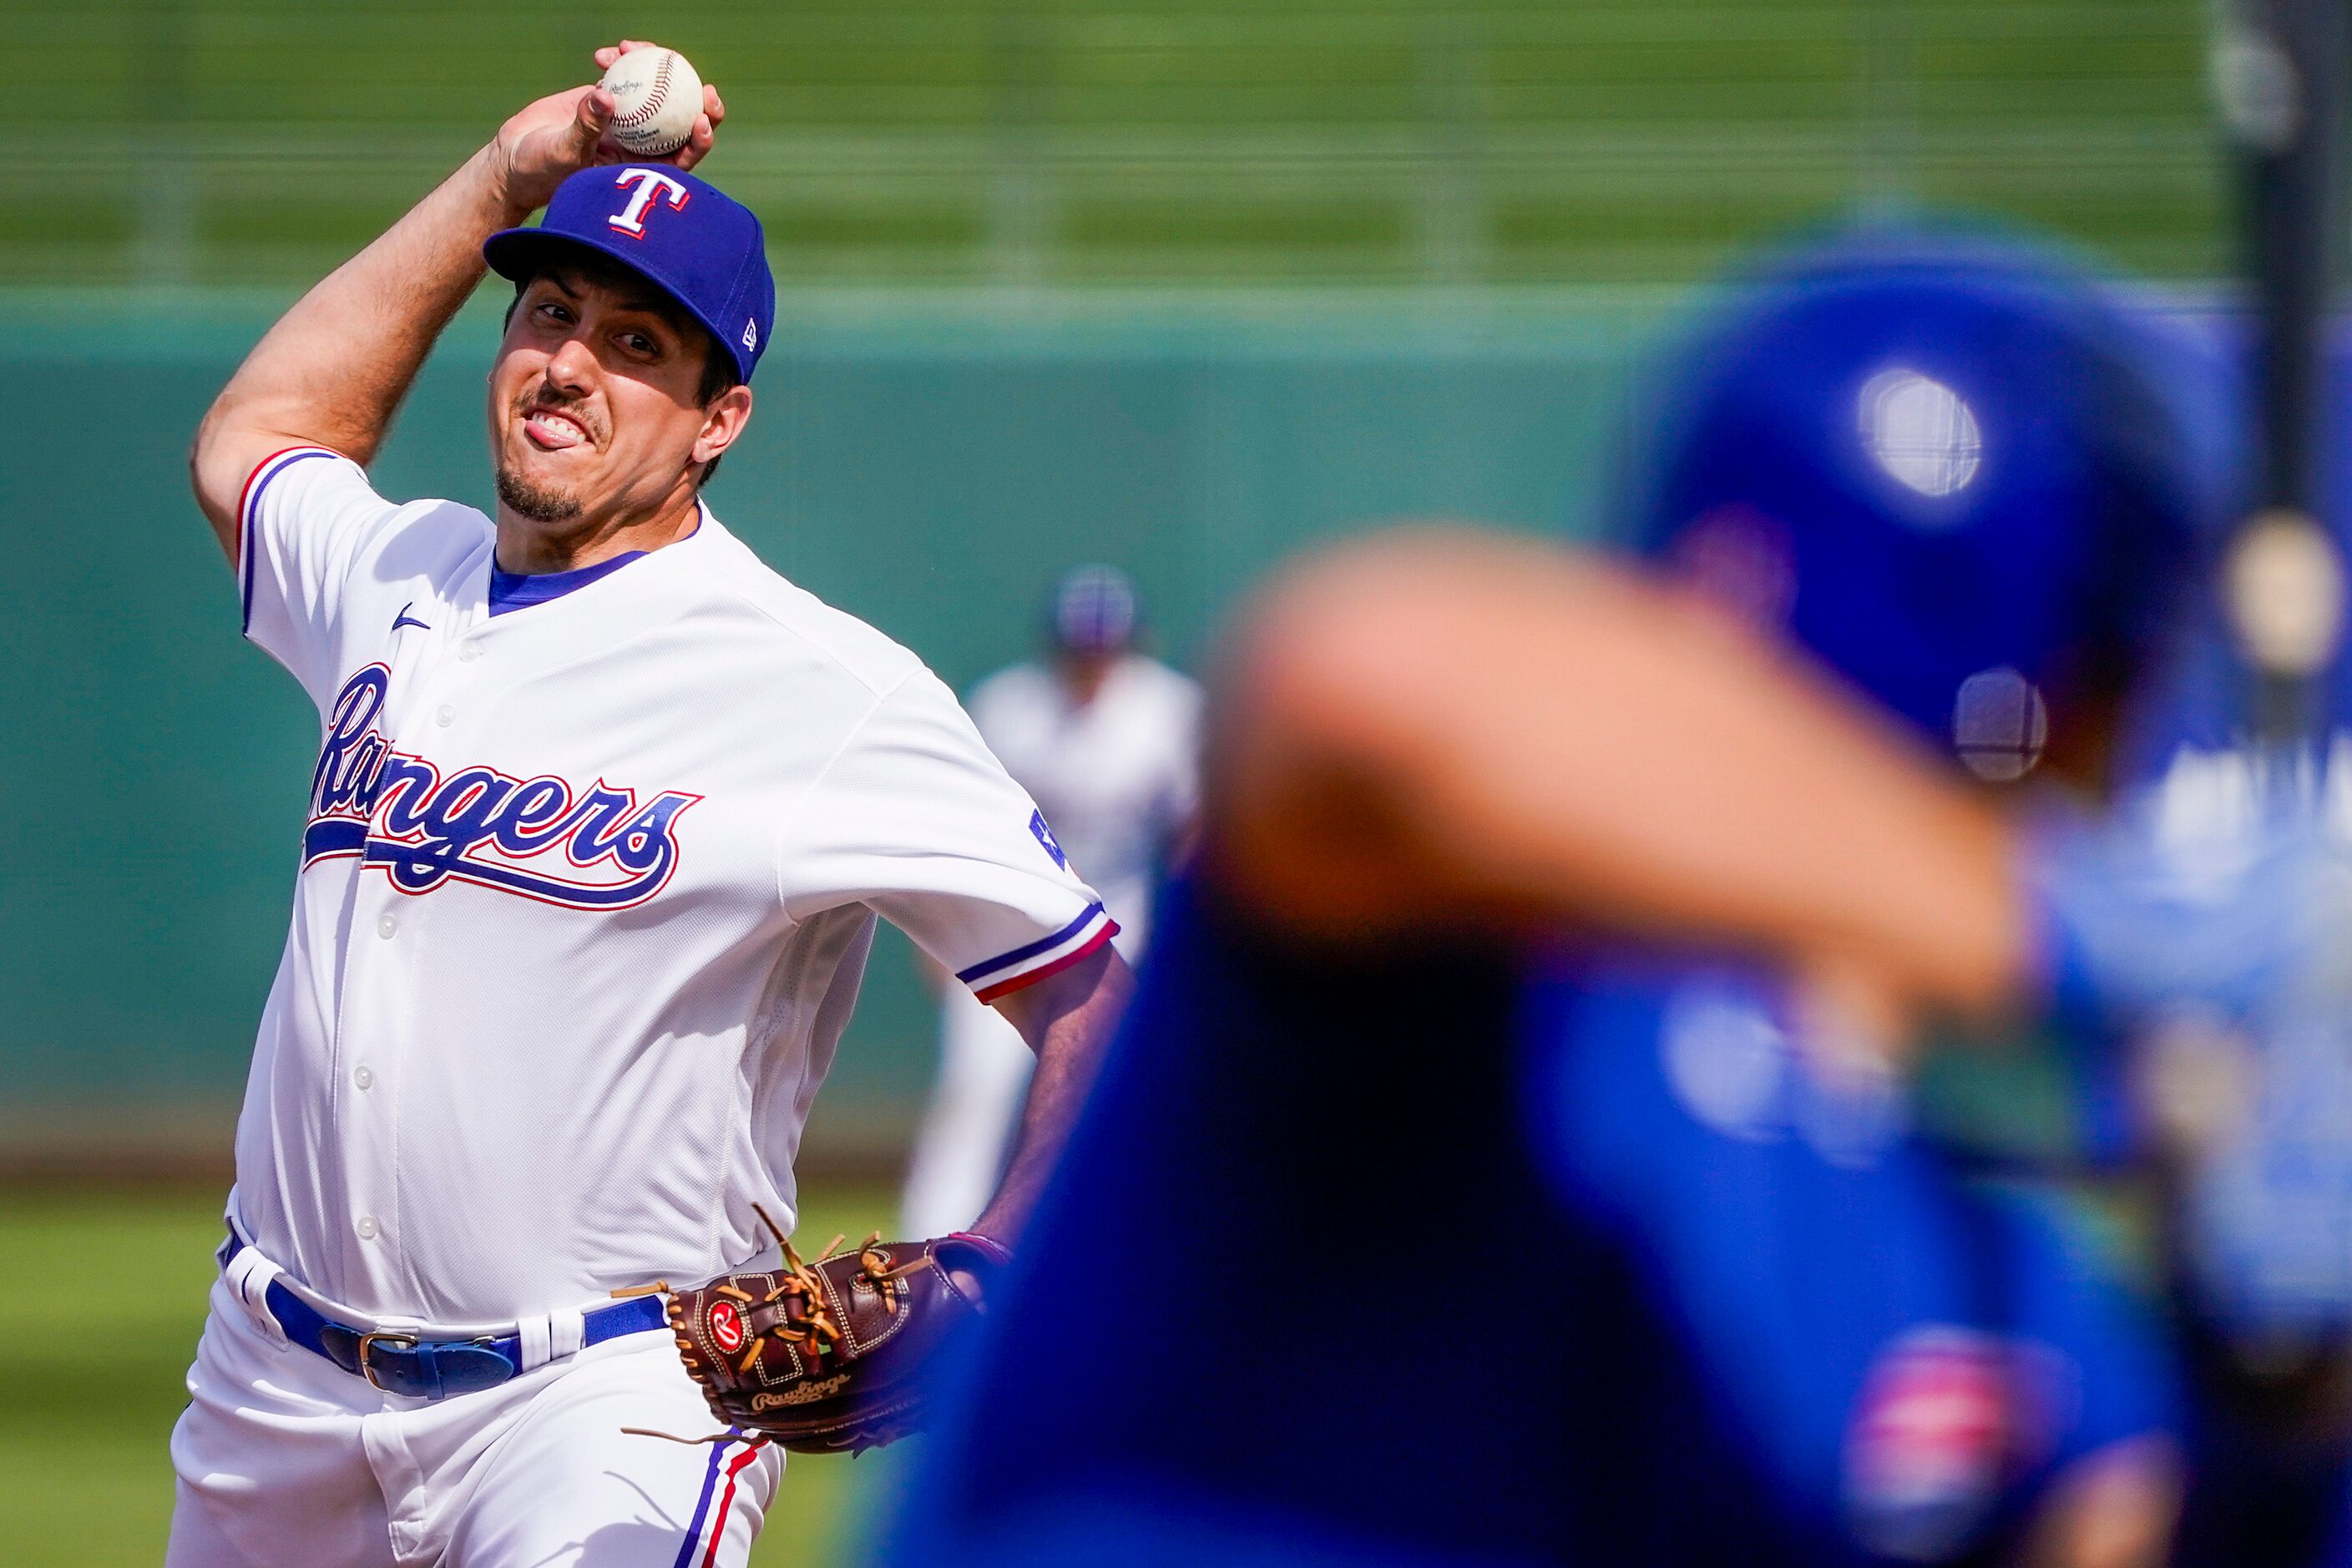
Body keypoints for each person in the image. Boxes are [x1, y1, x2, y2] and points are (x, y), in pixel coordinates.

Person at [884, 233, 2240, 1567]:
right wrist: (2064, 929)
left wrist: (2285, 1393)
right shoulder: (1461, 986)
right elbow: (1361, 674)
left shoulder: (1996, 1277)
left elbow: (2121, 1507)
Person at [168, 45, 1132, 1568]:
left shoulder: (825, 686)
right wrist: (505, 172)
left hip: (603, 1403)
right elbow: (256, 439)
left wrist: (1000, 1260)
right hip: (269, 1386)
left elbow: (1098, 995)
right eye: (548, 313)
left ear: (717, 418)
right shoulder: (392, 574)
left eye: (636, 342)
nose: (569, 364)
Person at [901, 564, 1201, 1237]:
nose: (1091, 662)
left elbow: (1191, 836)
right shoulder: (1011, 706)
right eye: (1079, 648)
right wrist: (936, 938)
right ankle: (933, 1243)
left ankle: (1114, 1236)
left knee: (1117, 1094)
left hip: (1121, 918)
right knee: (975, 1087)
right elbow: (958, 825)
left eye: (1104, 648)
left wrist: (1181, 948)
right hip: (1014, 916)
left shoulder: (1167, 710)